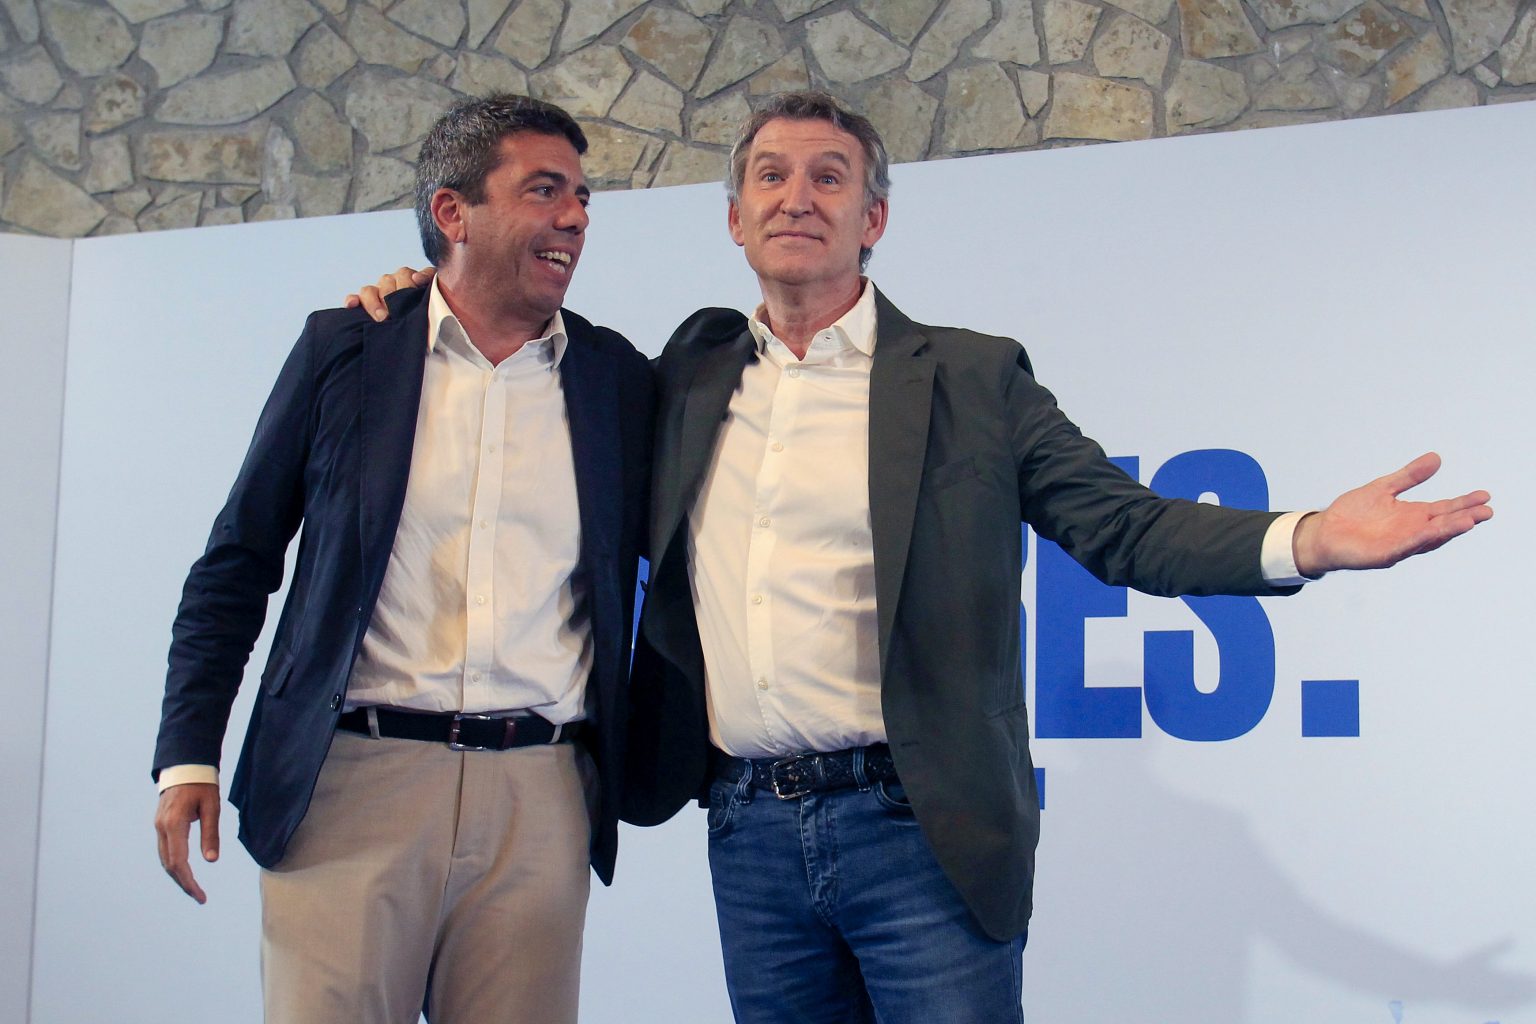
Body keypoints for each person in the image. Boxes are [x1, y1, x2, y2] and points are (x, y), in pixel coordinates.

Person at [353, 91, 1490, 1024]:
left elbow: (1125, 525)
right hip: (749, 835)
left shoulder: (972, 378)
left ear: (875, 219)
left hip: (921, 827)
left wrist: (1309, 539)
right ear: (736, 220)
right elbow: (514, 350)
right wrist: (420, 297)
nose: (798, 196)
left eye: (830, 177)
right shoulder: (684, 376)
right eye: (771, 177)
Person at [152, 94, 653, 1024]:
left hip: (541, 794)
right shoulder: (347, 349)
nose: (576, 217)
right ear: (453, 212)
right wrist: (188, 755)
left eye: (583, 197)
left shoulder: (619, 379)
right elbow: (237, 562)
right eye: (544, 190)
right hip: (350, 786)